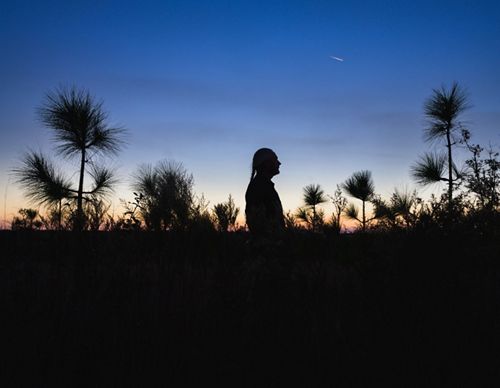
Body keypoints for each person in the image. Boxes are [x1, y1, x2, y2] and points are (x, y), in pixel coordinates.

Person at [245, 148, 285, 239]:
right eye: (275, 160)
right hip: (268, 247)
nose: (279, 163)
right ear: (266, 163)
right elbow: (256, 222)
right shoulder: (258, 187)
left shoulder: (265, 186)